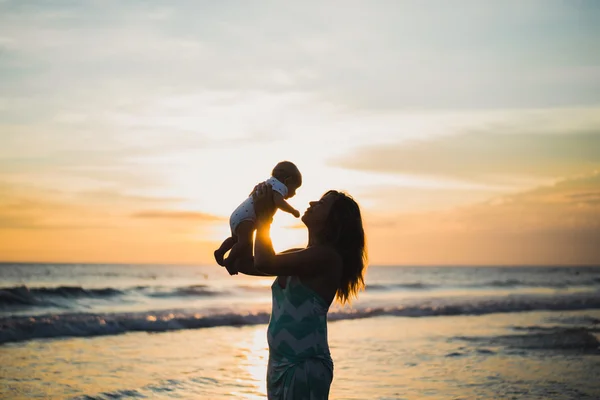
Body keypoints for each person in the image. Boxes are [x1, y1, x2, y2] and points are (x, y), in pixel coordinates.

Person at [232, 182, 367, 400]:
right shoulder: (302, 255)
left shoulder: (327, 258)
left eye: (322, 204)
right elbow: (248, 264)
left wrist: (266, 217)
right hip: (280, 365)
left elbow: (265, 262)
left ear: (334, 221)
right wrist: (248, 220)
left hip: (305, 366)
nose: (313, 203)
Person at [214, 161, 303, 275]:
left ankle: (220, 252)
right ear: (288, 180)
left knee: (236, 240)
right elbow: (279, 202)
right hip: (246, 218)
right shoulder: (278, 187)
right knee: (244, 242)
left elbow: (249, 265)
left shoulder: (268, 183)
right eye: (294, 189)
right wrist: (293, 211)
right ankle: (229, 261)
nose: (294, 193)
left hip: (238, 215)